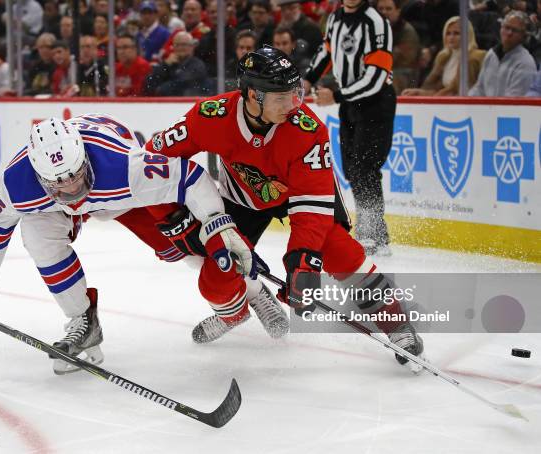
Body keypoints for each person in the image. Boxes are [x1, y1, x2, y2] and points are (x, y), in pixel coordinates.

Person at [146, 46, 424, 366]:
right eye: (281, 97)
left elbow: (312, 208)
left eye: (295, 93)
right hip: (241, 200)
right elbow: (153, 160)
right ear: (252, 95)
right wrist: (172, 217)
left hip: (300, 197)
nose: (294, 105)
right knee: (215, 281)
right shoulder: (210, 117)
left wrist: (302, 265)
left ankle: (396, 322)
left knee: (342, 253)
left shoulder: (308, 131)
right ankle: (238, 309)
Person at [0, 113, 257, 375]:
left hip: (117, 197)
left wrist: (217, 224)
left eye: (74, 176)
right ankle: (82, 319)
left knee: (181, 247)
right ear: (38, 174)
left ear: (83, 157)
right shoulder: (16, 183)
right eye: (58, 182)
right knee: (37, 236)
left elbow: (189, 178)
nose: (71, 188)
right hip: (56, 208)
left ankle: (249, 288)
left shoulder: (124, 167)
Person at [305, 0, 396, 256]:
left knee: (365, 167)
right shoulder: (335, 19)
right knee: (352, 168)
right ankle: (376, 232)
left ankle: (371, 233)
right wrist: (307, 78)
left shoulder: (376, 22)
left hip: (376, 103)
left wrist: (336, 96)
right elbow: (326, 53)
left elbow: (377, 76)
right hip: (350, 104)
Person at [401, 17, 485, 96]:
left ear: (467, 35)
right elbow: (438, 89)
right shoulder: (444, 57)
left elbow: (455, 91)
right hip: (445, 103)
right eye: (448, 33)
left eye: (456, 33)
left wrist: (429, 96)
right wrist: (419, 92)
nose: (451, 37)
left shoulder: (474, 57)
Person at [468, 10, 537, 97]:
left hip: (509, 110)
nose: (509, 33)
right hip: (487, 108)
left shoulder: (526, 63)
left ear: (524, 36)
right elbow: (480, 88)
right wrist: (466, 103)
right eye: (507, 27)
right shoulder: (491, 54)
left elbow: (516, 99)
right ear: (501, 28)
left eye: (515, 30)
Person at [144, 31, 209, 95]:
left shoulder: (197, 65)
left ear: (191, 46)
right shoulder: (169, 63)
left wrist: (160, 89)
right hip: (166, 103)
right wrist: (165, 65)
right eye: (177, 45)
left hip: (189, 102)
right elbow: (149, 83)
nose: (180, 47)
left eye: (184, 44)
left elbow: (182, 83)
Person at [376, 0, 421, 94]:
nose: (384, 12)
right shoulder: (372, 29)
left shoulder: (407, 31)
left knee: (388, 78)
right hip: (380, 69)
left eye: (388, 9)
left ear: (398, 11)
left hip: (406, 75)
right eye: (380, 9)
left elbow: (399, 59)